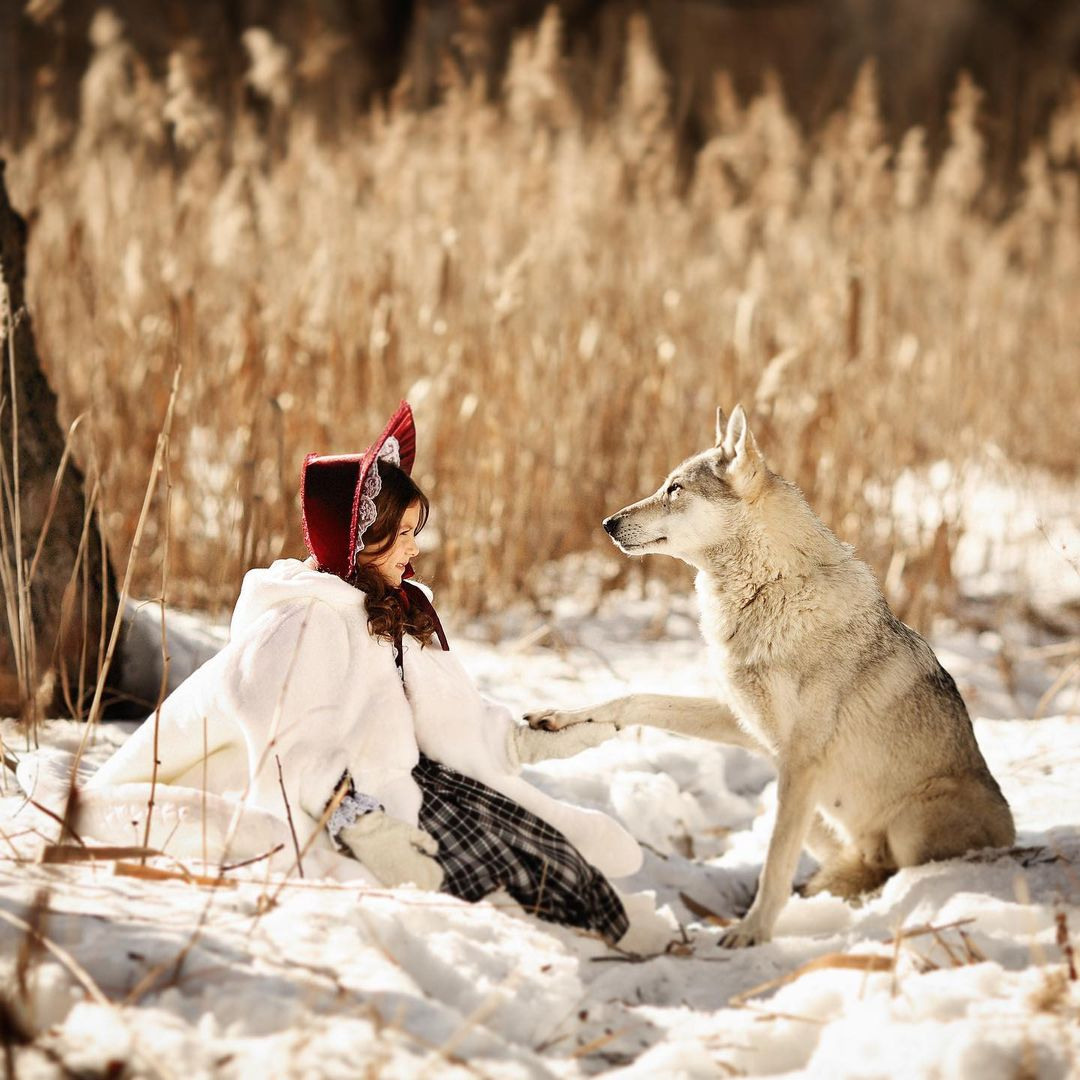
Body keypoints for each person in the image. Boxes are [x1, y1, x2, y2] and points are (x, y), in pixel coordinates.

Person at [76, 401, 642, 942]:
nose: (414, 550)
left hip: (412, 778)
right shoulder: (305, 624)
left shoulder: (388, 606)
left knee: (557, 865)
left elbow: (445, 711)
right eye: (404, 535)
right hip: (353, 800)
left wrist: (523, 742)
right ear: (362, 540)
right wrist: (367, 827)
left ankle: (610, 936)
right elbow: (290, 750)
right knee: (512, 890)